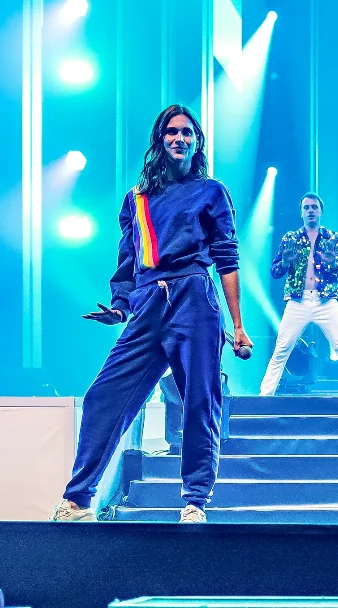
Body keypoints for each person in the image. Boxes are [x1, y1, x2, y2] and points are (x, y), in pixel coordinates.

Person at [52, 104, 250, 524]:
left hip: (194, 299)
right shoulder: (136, 199)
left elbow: (227, 258)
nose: (179, 138)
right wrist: (120, 306)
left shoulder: (212, 192)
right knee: (103, 397)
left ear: (197, 142)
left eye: (187, 132)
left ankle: (195, 501)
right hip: (146, 305)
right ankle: (78, 500)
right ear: (160, 141)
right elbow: (128, 262)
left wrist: (238, 326)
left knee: (199, 401)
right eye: (171, 132)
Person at [259, 192, 338, 397]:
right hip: (298, 301)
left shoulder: (333, 238)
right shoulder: (290, 238)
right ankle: (264, 398)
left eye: (314, 207)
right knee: (282, 349)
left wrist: (332, 263)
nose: (310, 211)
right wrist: (285, 262)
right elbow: (275, 272)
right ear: (301, 212)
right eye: (306, 207)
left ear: (321, 211)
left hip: (326, 301)